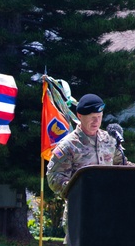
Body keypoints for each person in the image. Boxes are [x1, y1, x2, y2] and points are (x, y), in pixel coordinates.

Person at [46, 93, 129, 235]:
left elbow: (122, 165)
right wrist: (79, 189)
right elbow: (54, 177)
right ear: (79, 116)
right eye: (92, 117)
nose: (96, 121)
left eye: (99, 117)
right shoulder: (68, 145)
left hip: (110, 212)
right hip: (81, 213)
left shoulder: (109, 140)